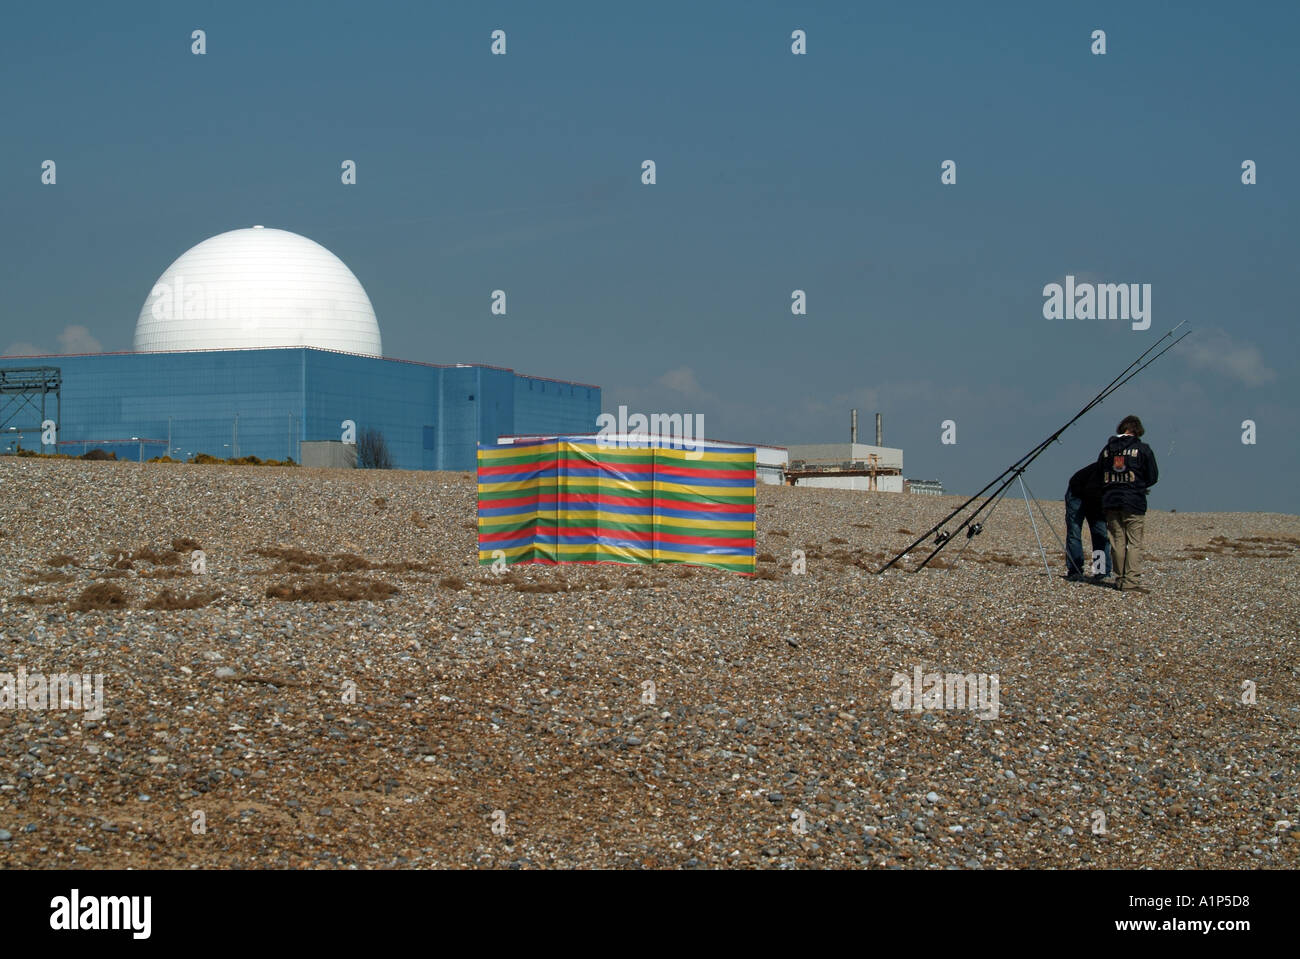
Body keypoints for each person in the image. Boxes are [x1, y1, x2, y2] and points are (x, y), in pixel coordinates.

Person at [1098, 415, 1158, 593]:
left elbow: (1100, 471)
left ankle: (1120, 578)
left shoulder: (1107, 450)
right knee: (1133, 542)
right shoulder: (1142, 449)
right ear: (1137, 430)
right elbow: (1153, 476)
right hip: (1134, 501)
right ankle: (1130, 580)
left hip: (1110, 499)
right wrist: (1139, 485)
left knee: (1117, 540)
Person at [1064, 461, 1111, 581]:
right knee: (1074, 532)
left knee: (1100, 534)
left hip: (1096, 498)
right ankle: (1075, 570)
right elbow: (1094, 490)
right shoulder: (1104, 469)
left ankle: (1101, 571)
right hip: (1077, 493)